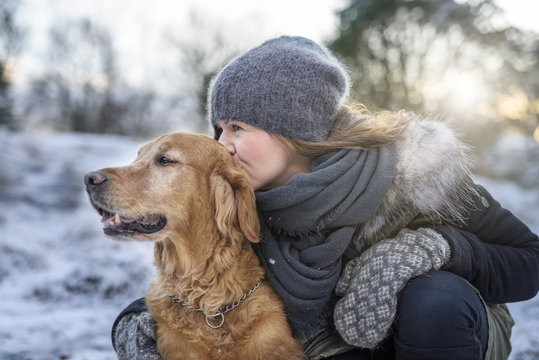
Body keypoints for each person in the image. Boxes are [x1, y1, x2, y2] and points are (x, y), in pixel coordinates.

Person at [111, 36, 539, 360]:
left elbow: (530, 260)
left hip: (446, 331)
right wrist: (136, 330)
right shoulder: (242, 197)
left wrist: (433, 248)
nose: (223, 145)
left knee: (432, 299)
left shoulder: (414, 174)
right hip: (336, 344)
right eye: (219, 129)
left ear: (291, 129)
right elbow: (202, 280)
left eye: (238, 128)